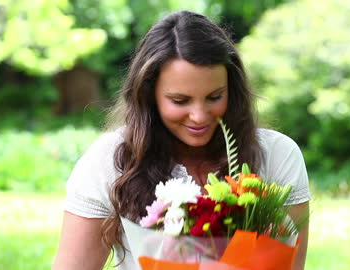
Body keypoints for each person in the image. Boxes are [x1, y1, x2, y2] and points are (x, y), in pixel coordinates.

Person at [52, 10, 311, 270]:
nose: (199, 116)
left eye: (214, 97)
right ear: (149, 96)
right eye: (180, 101)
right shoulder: (109, 161)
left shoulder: (277, 155)